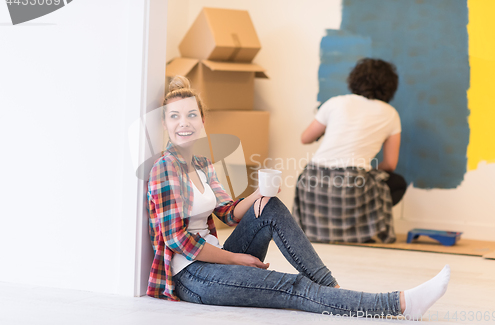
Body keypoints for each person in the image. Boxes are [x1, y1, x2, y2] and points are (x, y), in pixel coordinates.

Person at [146, 75, 448, 320]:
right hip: (192, 276)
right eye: (174, 116)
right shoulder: (164, 169)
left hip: (217, 260)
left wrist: (259, 195)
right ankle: (401, 305)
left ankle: (332, 290)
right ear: (165, 124)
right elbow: (178, 241)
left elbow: (227, 212)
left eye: (191, 115)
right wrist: (236, 259)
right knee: (292, 286)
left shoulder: (202, 164)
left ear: (202, 122)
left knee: (269, 206)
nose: (183, 123)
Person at [293, 58, 407, 244]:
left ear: (355, 79)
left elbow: (305, 138)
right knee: (397, 182)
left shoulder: (335, 103)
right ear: (389, 86)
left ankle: (322, 230)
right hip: (351, 186)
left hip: (312, 182)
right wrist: (369, 172)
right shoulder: (390, 114)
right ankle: (360, 230)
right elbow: (390, 165)